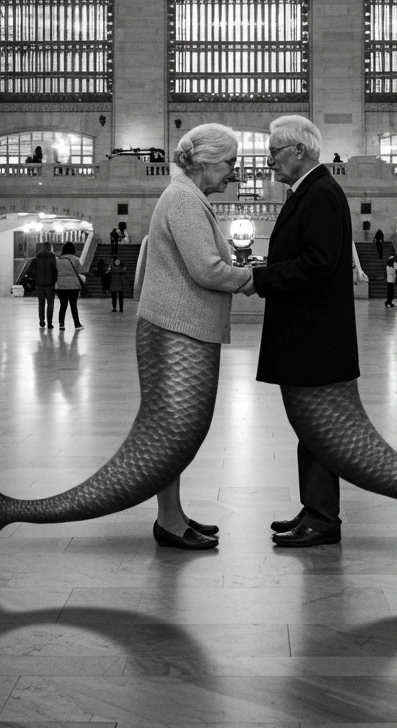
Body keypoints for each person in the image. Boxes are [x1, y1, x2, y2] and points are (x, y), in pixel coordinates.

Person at [138, 122, 252, 548]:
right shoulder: (184, 199)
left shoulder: (188, 196)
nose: (233, 172)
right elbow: (206, 268)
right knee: (172, 431)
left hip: (180, 328)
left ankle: (173, 514)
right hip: (175, 330)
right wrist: (251, 278)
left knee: (176, 431)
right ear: (205, 161)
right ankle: (168, 521)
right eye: (229, 163)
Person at [251, 115, 359, 547]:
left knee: (317, 429)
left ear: (299, 151)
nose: (269, 162)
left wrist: (261, 279)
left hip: (314, 337)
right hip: (307, 333)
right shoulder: (309, 191)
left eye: (274, 153)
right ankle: (314, 508)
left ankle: (322, 518)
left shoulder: (321, 194)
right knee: (309, 430)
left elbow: (318, 262)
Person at [56, 242, 85, 329]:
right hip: (73, 285)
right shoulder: (76, 259)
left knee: (63, 305)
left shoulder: (58, 260)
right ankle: (77, 324)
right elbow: (80, 270)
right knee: (73, 305)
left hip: (61, 285)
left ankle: (61, 324)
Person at [32, 240, 59, 328]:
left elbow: (31, 271)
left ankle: (42, 321)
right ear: (50, 248)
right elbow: (55, 271)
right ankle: (50, 323)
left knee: (41, 303)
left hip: (39, 284)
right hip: (50, 284)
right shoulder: (53, 259)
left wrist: (35, 279)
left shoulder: (36, 259)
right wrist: (54, 280)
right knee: (50, 304)